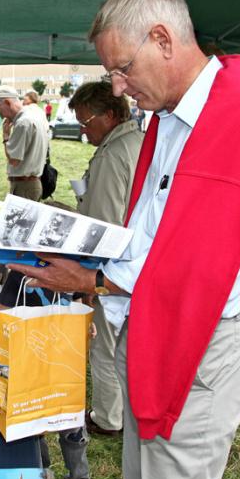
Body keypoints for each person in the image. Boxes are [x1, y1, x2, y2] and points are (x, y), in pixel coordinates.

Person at [9, 0, 240, 479]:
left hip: (205, 339)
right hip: (159, 322)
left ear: (163, 39)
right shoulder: (171, 113)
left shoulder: (236, 112)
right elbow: (154, 229)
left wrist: (92, 280)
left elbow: (197, 263)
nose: (117, 88)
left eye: (122, 69)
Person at [68, 81, 143, 436]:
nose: (83, 131)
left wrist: (86, 281)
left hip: (112, 270)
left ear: (111, 115)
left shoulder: (114, 154)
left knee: (104, 345)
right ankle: (122, 413)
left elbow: (104, 227)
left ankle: (107, 418)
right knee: (124, 345)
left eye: (88, 122)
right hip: (133, 266)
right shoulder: (136, 142)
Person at [0, 270, 90, 479]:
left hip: (64, 363)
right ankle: (41, 471)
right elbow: (0, 314)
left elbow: (78, 303)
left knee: (72, 427)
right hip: (30, 363)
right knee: (33, 424)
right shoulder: (22, 273)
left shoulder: (72, 267)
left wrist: (84, 326)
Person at [0, 85, 49, 201]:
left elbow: (14, 160)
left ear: (8, 102)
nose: (0, 115)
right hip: (30, 183)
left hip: (25, 186)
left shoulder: (23, 123)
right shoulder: (33, 115)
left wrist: (5, 136)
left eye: (0, 110)